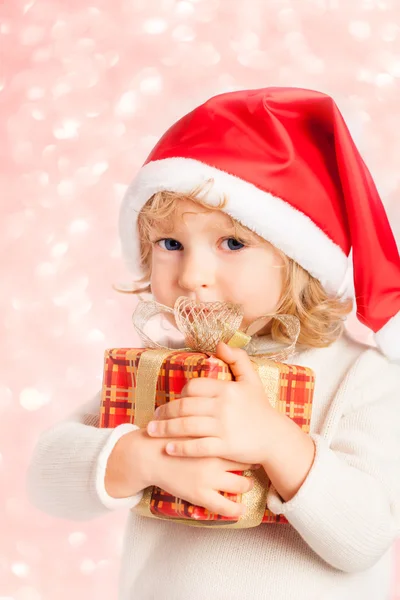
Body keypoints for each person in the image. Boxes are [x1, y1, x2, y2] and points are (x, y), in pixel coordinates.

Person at [27, 87, 400, 600]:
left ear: (300, 256)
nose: (193, 275)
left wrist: (275, 442)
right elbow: (46, 478)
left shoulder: (362, 376)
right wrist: (142, 459)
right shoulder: (162, 370)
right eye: (170, 244)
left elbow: (366, 538)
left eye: (232, 243)